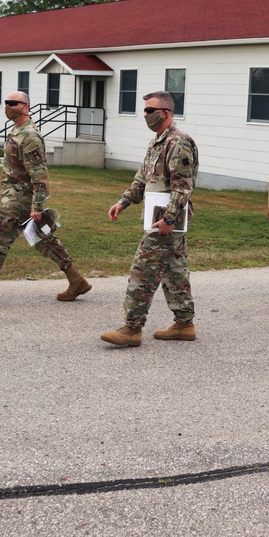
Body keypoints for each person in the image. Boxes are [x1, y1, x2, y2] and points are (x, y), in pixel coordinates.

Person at [0, 91, 90, 307]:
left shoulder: (29, 136)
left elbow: (40, 174)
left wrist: (37, 206)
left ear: (26, 107)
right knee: (44, 239)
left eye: (13, 103)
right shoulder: (17, 130)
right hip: (13, 196)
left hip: (20, 200)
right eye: (6, 102)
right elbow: (12, 168)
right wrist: (2, 192)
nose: (8, 106)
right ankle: (77, 280)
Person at [100, 91, 199, 347]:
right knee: (173, 270)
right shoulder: (158, 142)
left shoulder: (179, 142)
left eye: (149, 110)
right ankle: (184, 324)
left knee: (142, 272)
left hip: (165, 222)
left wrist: (169, 219)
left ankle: (131, 330)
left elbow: (182, 187)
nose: (145, 115)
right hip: (161, 219)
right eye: (144, 110)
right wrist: (123, 202)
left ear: (164, 112)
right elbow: (142, 179)